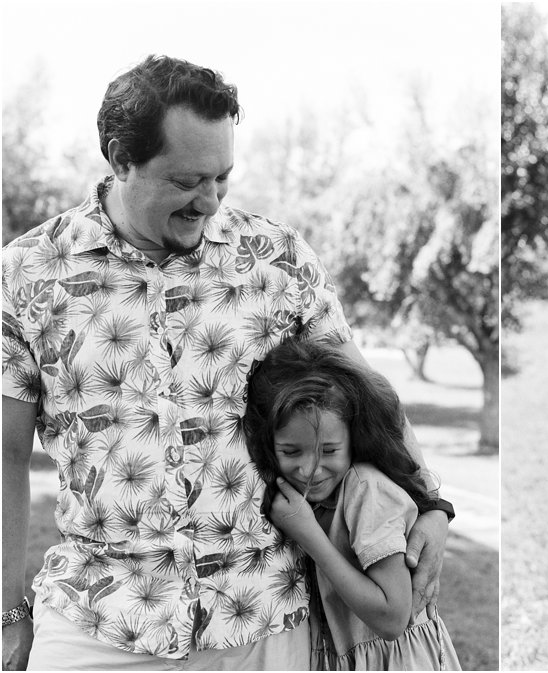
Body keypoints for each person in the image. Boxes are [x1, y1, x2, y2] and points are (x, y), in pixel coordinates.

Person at [2, 54, 452, 671]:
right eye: (187, 181)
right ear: (119, 158)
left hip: (262, 620)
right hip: (96, 621)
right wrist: (6, 614)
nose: (208, 201)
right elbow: (5, 455)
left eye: (222, 178)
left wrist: (431, 502)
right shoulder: (27, 274)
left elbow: (367, 391)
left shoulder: (276, 258)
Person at [243, 336, 462, 670]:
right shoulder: (319, 498)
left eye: (328, 450)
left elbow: (392, 618)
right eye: (291, 451)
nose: (309, 469)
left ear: (354, 438)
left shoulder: (366, 490)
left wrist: (309, 535)